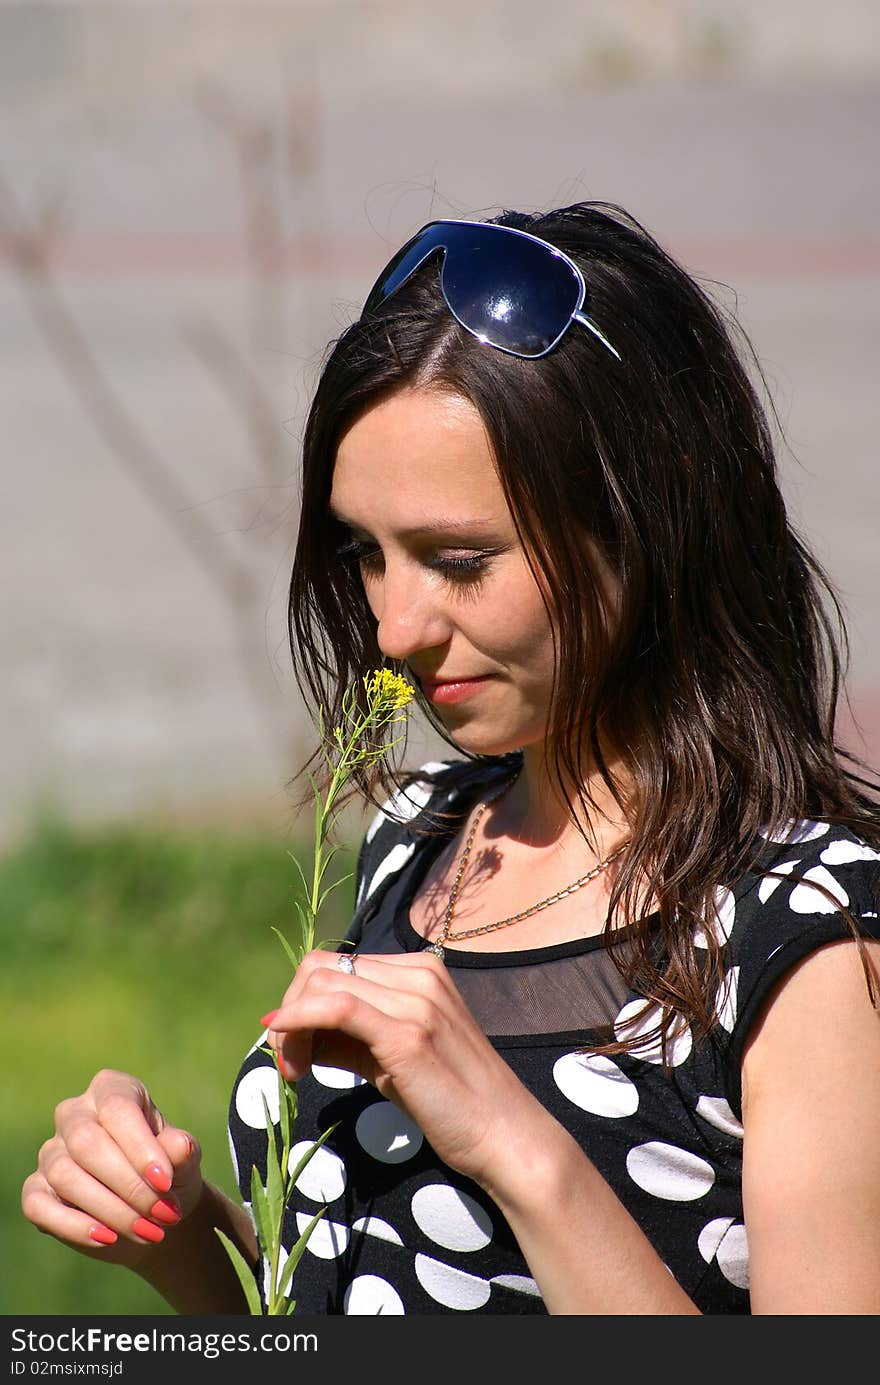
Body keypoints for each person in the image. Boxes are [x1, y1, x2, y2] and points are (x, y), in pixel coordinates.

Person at [22, 202, 880, 1315]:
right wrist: (176, 1234)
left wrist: (517, 1149)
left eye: (459, 559)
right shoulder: (429, 834)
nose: (393, 628)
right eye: (364, 554)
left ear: (648, 521)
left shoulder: (806, 937)